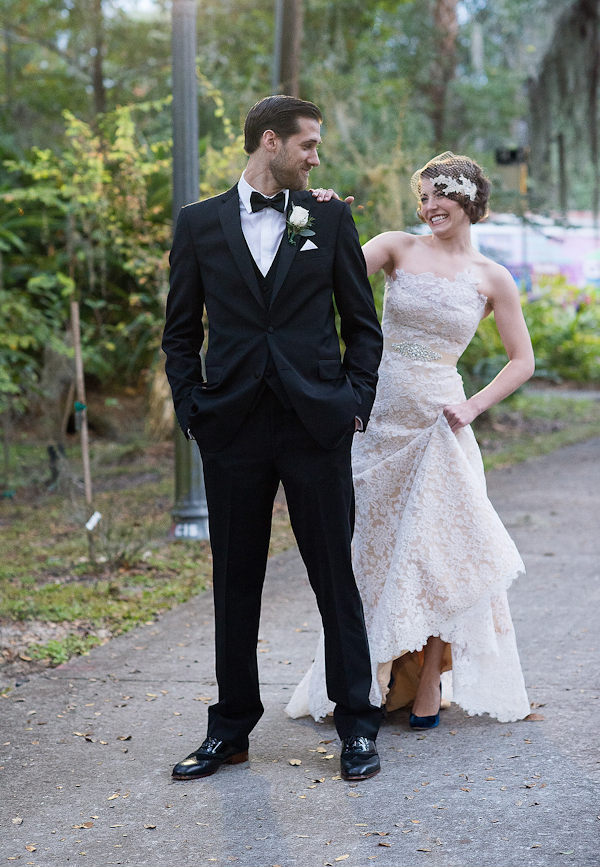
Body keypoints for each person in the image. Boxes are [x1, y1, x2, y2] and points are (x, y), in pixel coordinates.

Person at [162, 95, 383, 782]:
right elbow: (180, 332)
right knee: (234, 581)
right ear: (270, 142)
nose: (316, 157)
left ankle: (357, 726)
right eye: (308, 145)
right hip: (231, 426)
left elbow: (362, 325)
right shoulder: (197, 224)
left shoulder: (327, 216)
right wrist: (194, 408)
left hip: (315, 422)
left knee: (332, 578)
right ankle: (229, 729)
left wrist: (353, 403)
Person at [286, 151, 534, 728]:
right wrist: (314, 219)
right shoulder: (397, 246)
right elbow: (314, 273)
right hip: (376, 419)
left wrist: (472, 406)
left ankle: (428, 683)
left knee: (437, 556)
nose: (428, 207)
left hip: (438, 427)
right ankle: (366, 677)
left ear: (468, 197)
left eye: (439, 195)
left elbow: (521, 361)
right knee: (370, 553)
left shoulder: (491, 277)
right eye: (422, 197)